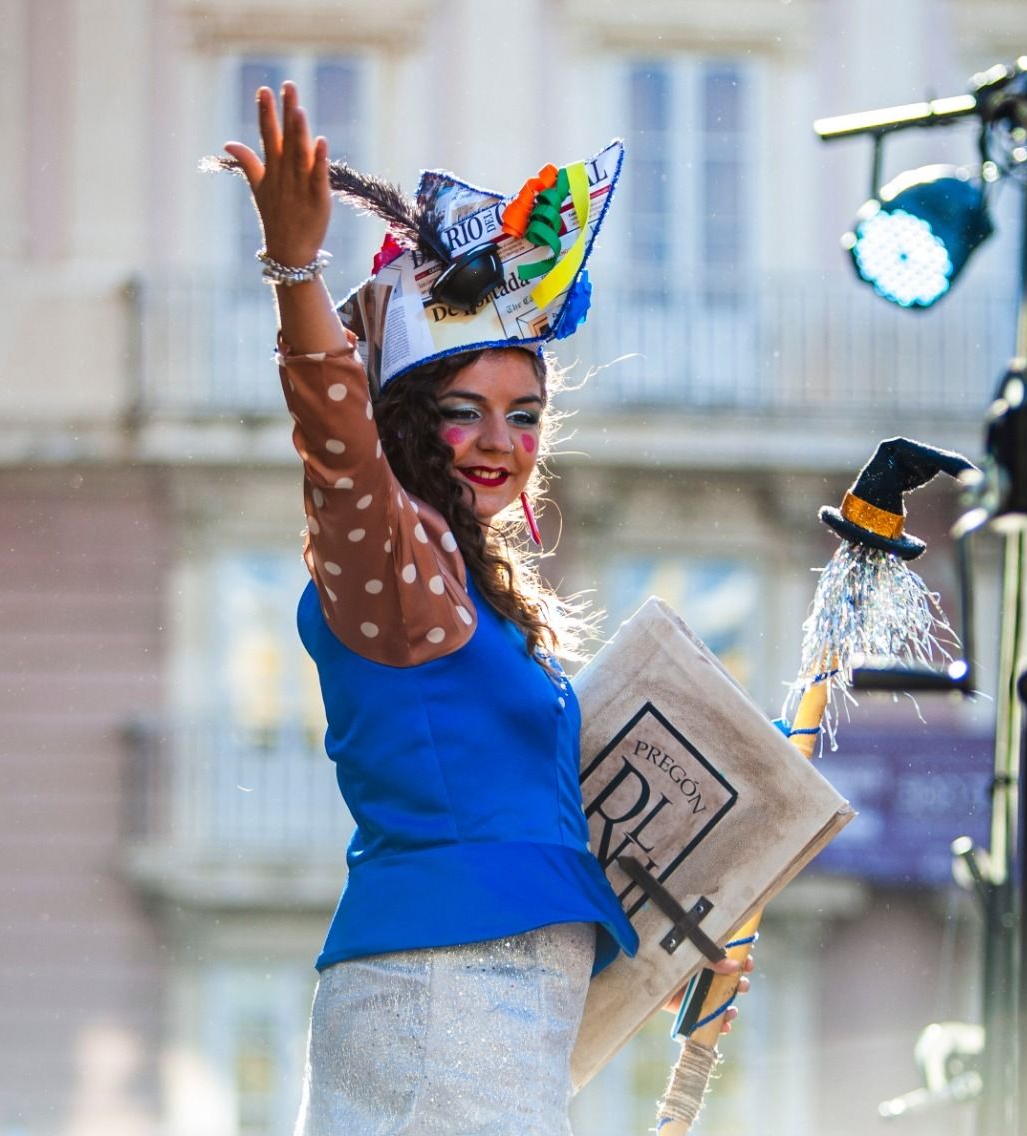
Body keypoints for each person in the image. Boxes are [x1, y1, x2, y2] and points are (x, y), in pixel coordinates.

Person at [223, 81, 746, 1136]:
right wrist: (295, 276)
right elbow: (339, 456)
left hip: (494, 1006)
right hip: (441, 1000)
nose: (502, 441)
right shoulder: (396, 570)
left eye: (525, 414)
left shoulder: (478, 603)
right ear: (411, 423)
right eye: (462, 413)